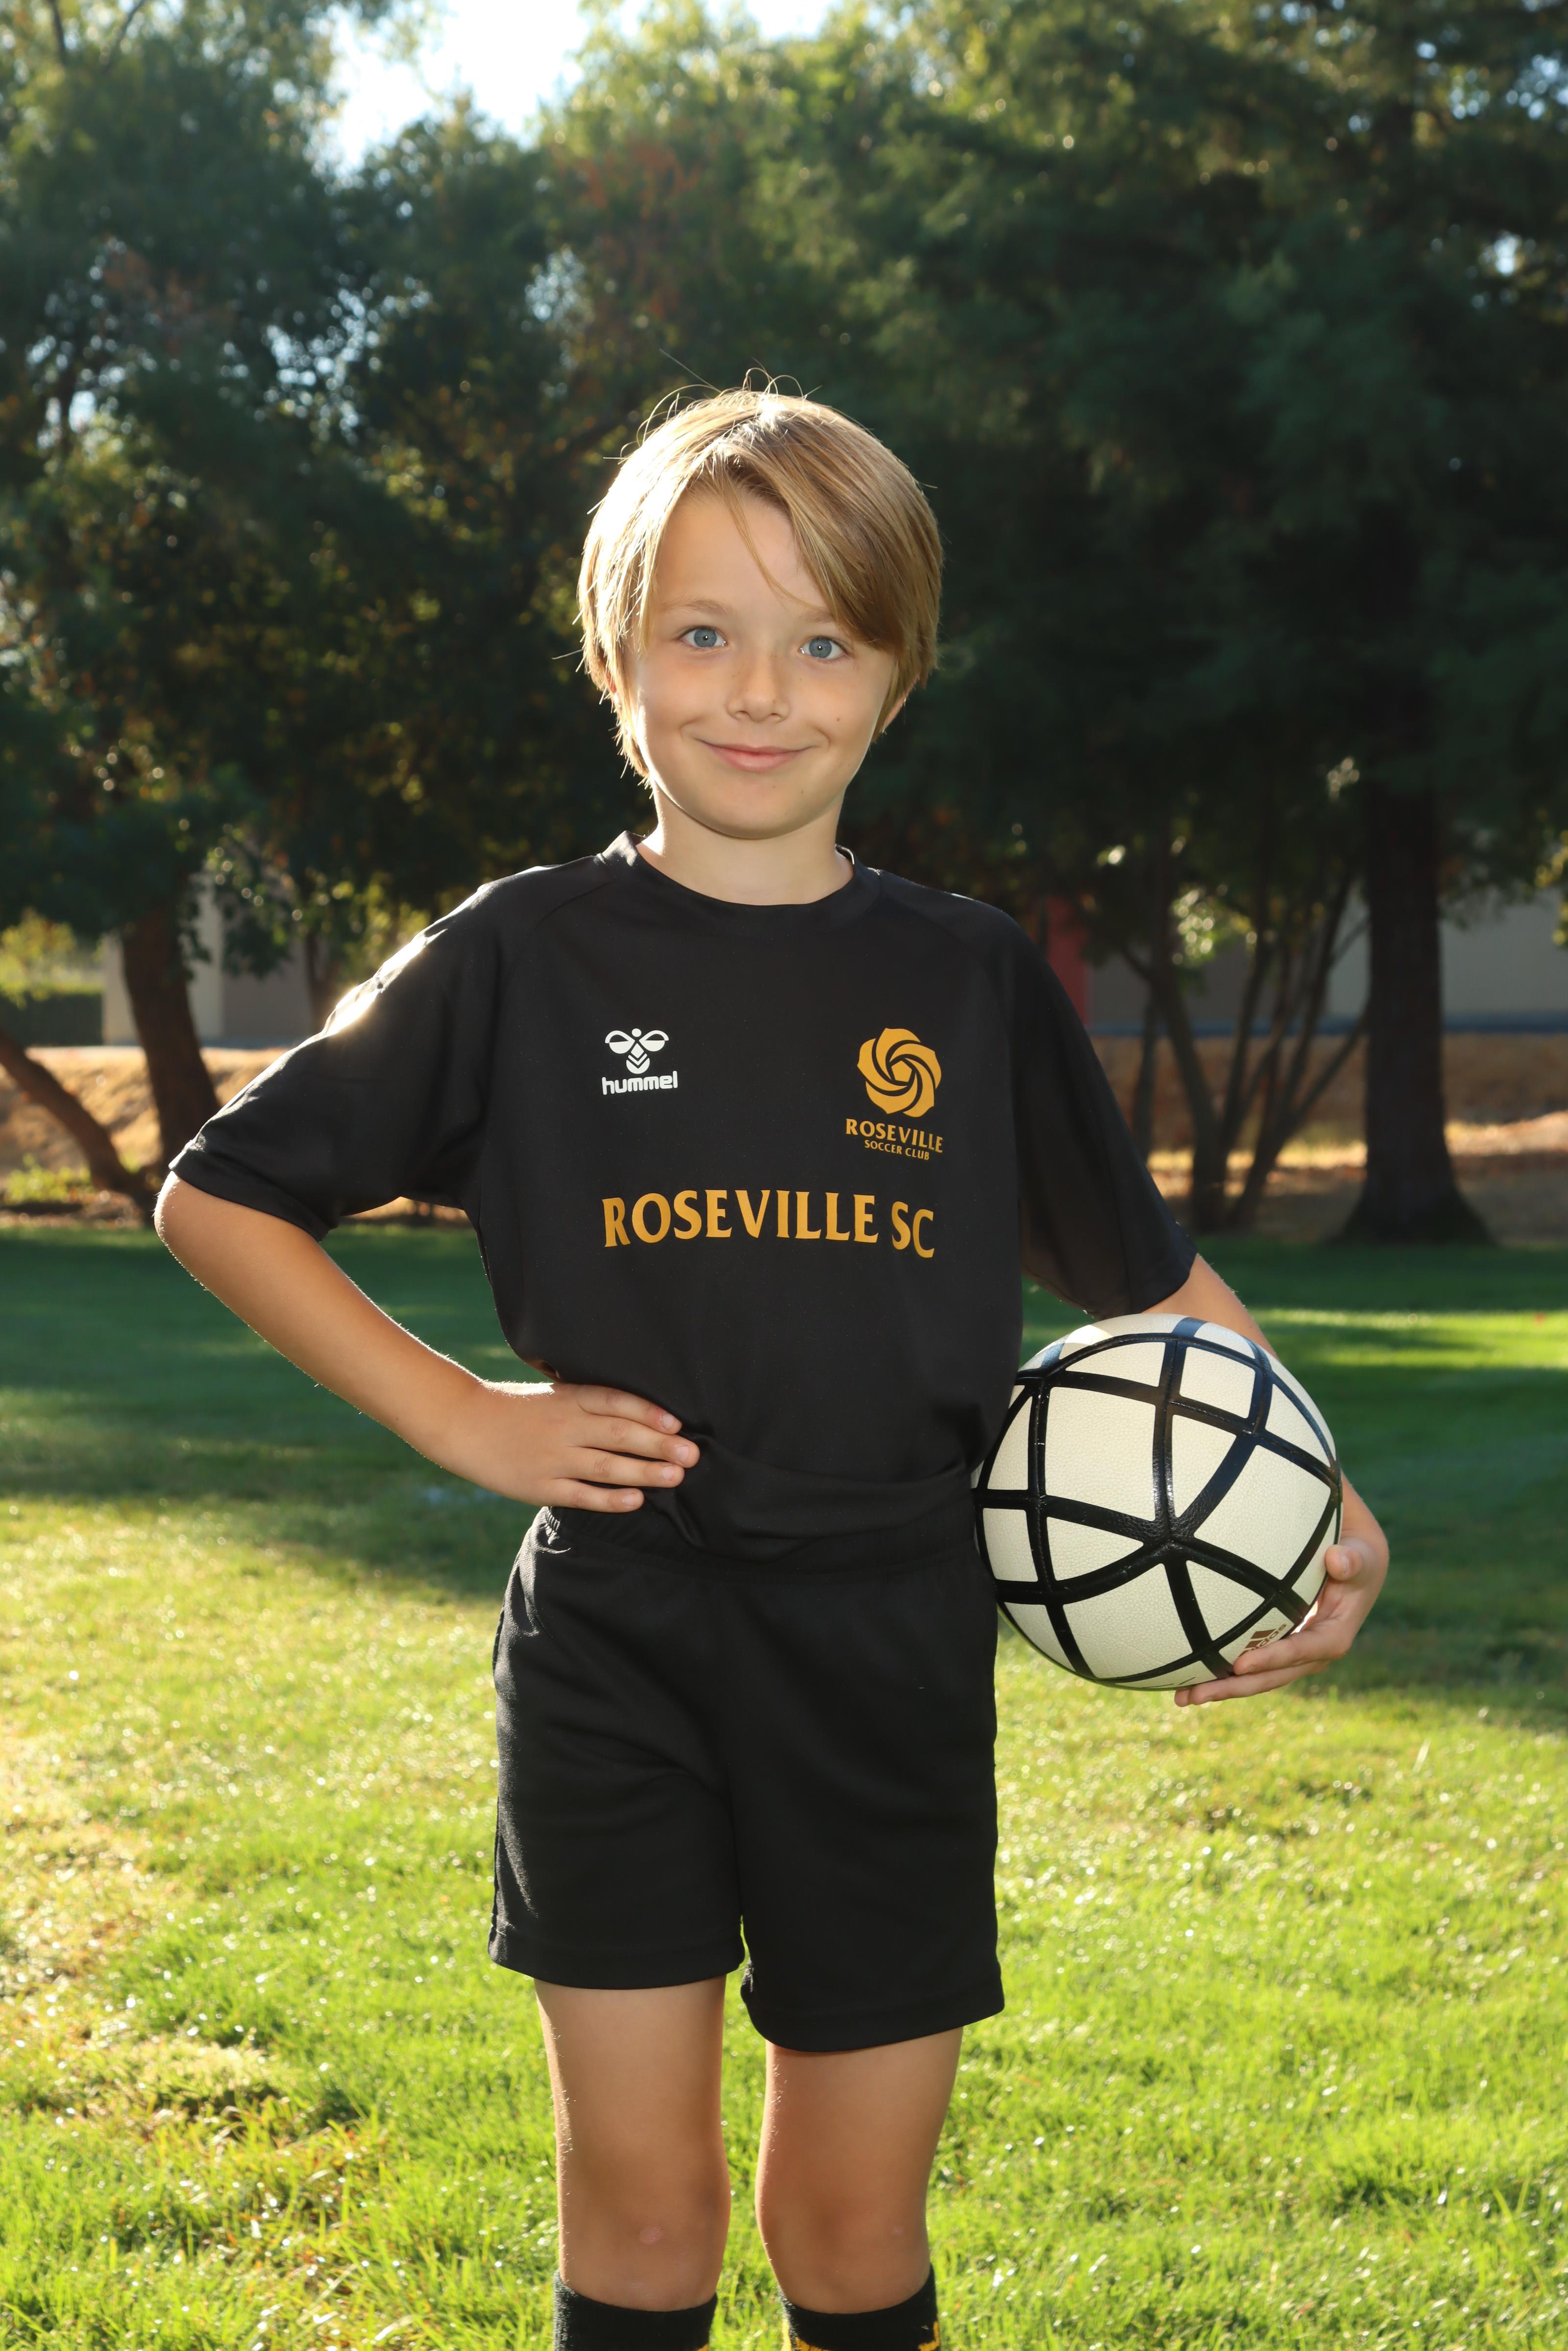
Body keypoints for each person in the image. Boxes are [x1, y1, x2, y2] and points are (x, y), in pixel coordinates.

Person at [156, 388, 1389, 2351]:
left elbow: (1149, 1288)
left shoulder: (967, 980)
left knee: (849, 2229)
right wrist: (467, 1419)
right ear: (614, 658)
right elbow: (221, 1196)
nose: (758, 691)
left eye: (824, 641)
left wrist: (1319, 1503)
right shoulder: (523, 956)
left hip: (892, 1641)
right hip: (622, 1639)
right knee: (644, 2222)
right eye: (702, 633)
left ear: (895, 677)